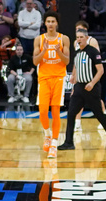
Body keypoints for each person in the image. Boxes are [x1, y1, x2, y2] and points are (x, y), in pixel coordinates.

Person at [58, 26, 106, 151]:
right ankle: (69, 142)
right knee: (71, 114)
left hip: (92, 87)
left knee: (99, 114)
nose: (79, 39)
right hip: (79, 87)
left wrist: (92, 83)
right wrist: (73, 77)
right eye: (77, 37)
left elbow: (100, 70)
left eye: (81, 37)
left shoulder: (93, 52)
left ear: (86, 38)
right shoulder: (78, 52)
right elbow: (76, 66)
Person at [33, 11, 69, 158]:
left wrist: (57, 51)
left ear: (57, 23)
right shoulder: (39, 40)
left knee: (55, 112)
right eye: (48, 21)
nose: (50, 24)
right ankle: (47, 134)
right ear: (45, 23)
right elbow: (35, 61)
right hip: (44, 78)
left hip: (59, 78)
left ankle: (54, 143)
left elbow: (66, 61)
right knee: (42, 111)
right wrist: (45, 50)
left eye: (53, 21)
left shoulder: (63, 39)